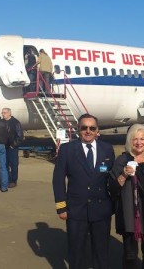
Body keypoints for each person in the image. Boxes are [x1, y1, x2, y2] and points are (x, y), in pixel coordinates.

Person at [52, 114, 115, 269]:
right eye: (84, 128)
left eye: (92, 128)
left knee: (101, 252)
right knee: (76, 252)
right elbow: (58, 179)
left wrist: (113, 205)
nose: (88, 131)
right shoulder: (67, 149)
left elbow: (111, 178)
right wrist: (61, 206)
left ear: (97, 130)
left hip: (101, 209)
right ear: (78, 129)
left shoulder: (107, 149)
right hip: (76, 209)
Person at [109, 124, 144, 268]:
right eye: (135, 139)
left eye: (142, 139)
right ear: (129, 141)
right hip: (131, 215)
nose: (139, 142)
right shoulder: (123, 160)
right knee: (130, 255)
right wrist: (124, 174)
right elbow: (112, 189)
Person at [2, 107, 24, 188]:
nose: (3, 114)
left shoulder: (15, 122)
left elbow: (20, 136)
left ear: (9, 113)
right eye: (2, 113)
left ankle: (14, 180)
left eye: (4, 113)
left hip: (12, 148)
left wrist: (13, 145)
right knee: (5, 164)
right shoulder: (1, 122)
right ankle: (6, 180)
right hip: (3, 147)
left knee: (14, 165)